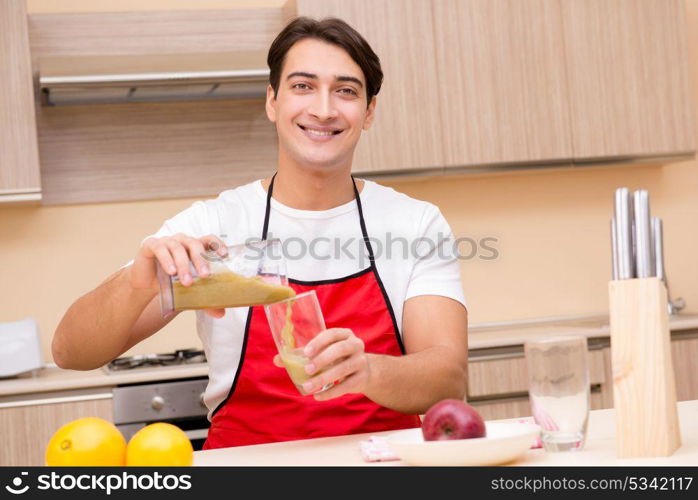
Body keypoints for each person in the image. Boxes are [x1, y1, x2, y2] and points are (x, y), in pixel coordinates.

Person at [53, 16, 468, 449]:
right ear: (272, 101)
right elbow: (72, 352)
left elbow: (449, 379)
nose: (323, 109)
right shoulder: (212, 226)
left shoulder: (414, 224)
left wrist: (367, 370)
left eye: (345, 90)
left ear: (369, 112)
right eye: (302, 86)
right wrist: (137, 282)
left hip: (383, 466)